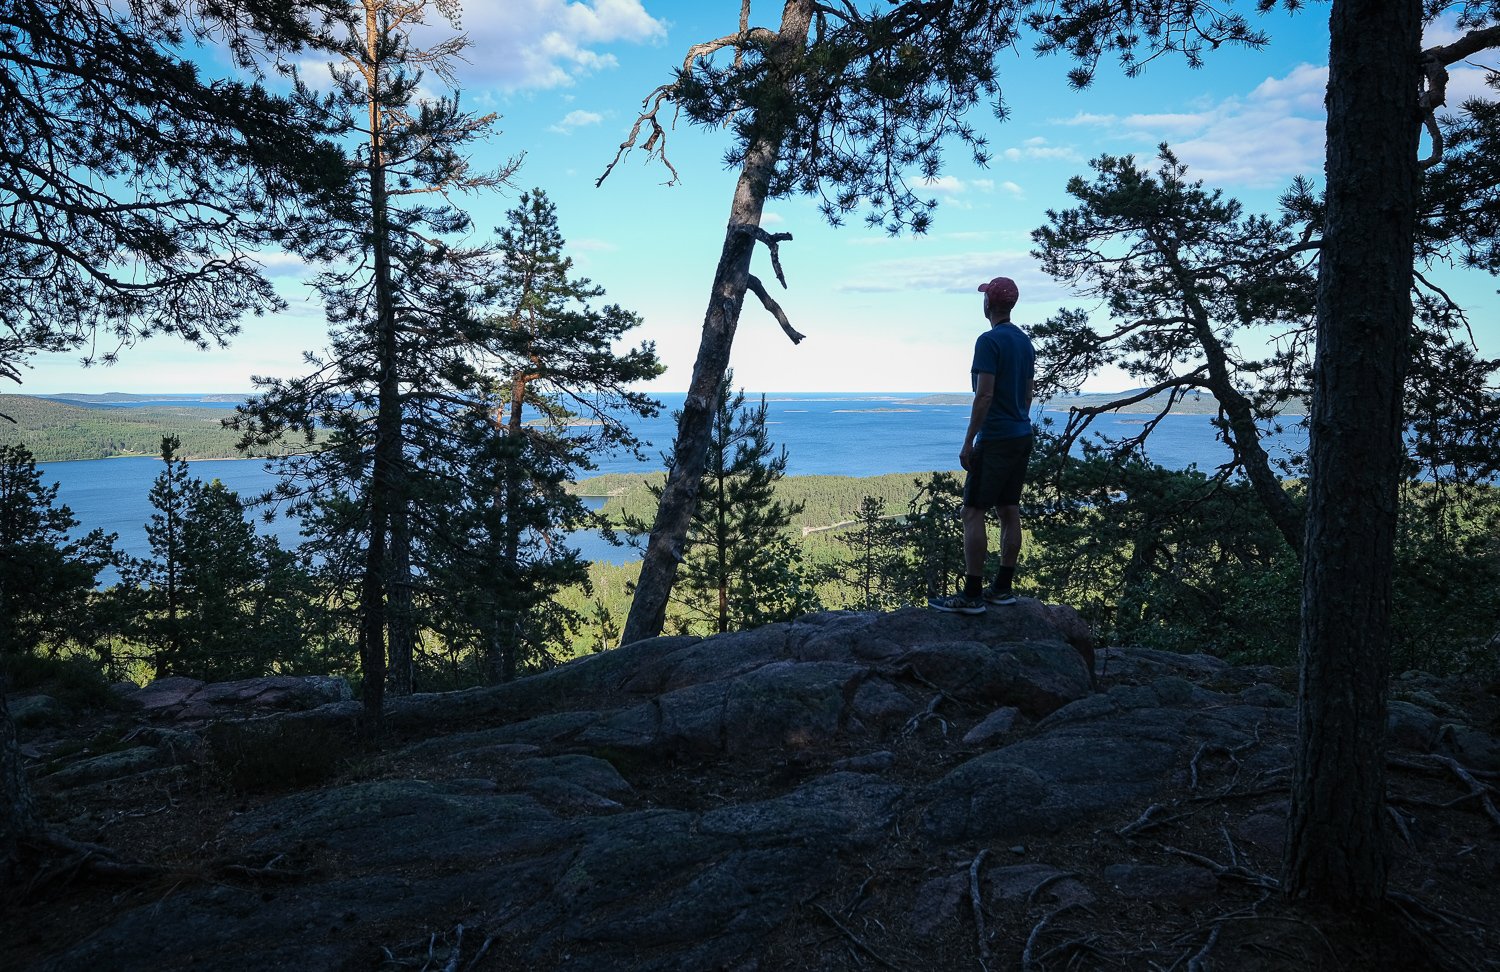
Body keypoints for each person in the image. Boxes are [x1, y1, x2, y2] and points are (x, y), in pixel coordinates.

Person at [928, 275, 1035, 614]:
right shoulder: (1025, 343)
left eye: (985, 296)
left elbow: (984, 394)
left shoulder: (988, 341)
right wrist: (1018, 419)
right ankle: (1002, 588)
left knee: (972, 512)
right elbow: (1028, 393)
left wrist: (969, 440)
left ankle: (972, 595)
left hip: (998, 437)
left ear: (989, 303)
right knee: (1008, 509)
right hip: (1021, 433)